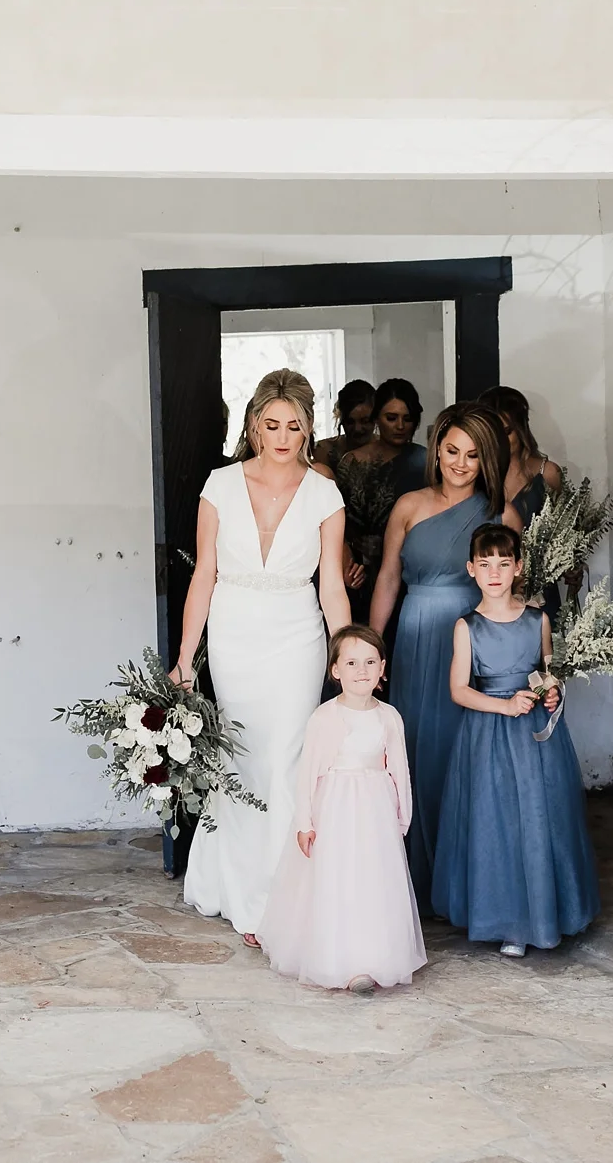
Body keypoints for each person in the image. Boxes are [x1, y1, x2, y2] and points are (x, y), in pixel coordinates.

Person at [173, 369, 353, 945]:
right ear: (253, 425)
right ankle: (235, 886)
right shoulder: (220, 485)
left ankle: (277, 897)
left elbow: (331, 586)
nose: (281, 436)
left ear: (308, 429)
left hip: (297, 633)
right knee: (244, 757)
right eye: (271, 425)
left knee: (285, 760)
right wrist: (186, 659)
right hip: (234, 633)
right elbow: (204, 575)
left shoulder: (324, 493)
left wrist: (348, 655)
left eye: (293, 426)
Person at [366, 402, 522, 908]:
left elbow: (516, 594)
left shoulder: (502, 514)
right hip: (416, 639)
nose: (460, 463)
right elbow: (389, 577)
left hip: (476, 645)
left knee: (468, 754)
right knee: (415, 752)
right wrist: (372, 646)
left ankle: (469, 881)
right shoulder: (409, 506)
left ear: (486, 460)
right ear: (436, 450)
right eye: (452, 451)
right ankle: (417, 878)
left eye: (472, 455)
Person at [432, 523, 598, 957]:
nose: (494, 573)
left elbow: (547, 673)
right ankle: (509, 920)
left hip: (535, 736)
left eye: (503, 564)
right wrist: (504, 706)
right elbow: (459, 690)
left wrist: (552, 692)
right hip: (489, 733)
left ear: (518, 567)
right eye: (485, 564)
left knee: (541, 816)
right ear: (471, 569)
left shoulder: (537, 620)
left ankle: (545, 914)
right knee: (498, 819)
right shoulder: (467, 626)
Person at [256, 624, 425, 991]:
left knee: (372, 880)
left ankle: (372, 959)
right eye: (351, 663)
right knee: (338, 877)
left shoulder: (389, 717)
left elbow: (400, 771)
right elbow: (308, 774)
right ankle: (339, 960)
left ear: (382, 668)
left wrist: (402, 816)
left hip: (375, 809)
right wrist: (305, 821)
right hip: (334, 808)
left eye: (370, 662)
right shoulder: (324, 717)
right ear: (335, 670)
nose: (361, 670)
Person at [333, 379, 426, 625]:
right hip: (359, 572)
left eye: (407, 419)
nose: (400, 426)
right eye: (391, 418)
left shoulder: (426, 463)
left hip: (411, 572)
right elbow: (337, 521)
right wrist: (351, 550)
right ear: (376, 418)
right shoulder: (352, 462)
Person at [478, 386, 564, 529]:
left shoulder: (548, 473)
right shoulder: (474, 473)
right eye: (491, 432)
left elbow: (563, 527)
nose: (499, 440)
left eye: (506, 432)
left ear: (521, 429)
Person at [311, 380, 377, 473]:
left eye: (365, 421)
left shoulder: (389, 450)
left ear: (376, 418)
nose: (357, 428)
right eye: (350, 422)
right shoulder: (324, 451)